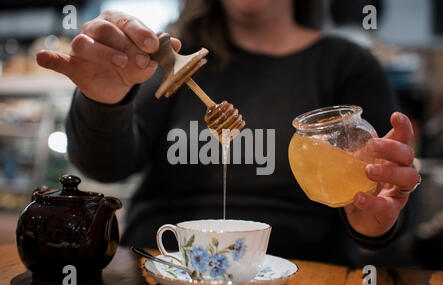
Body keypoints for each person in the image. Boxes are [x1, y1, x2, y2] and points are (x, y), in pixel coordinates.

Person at [36, 0, 420, 265]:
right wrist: (103, 100)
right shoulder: (166, 53)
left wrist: (371, 220)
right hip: (164, 265)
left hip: (302, 273)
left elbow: (390, 199)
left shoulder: (346, 65)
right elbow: (108, 166)